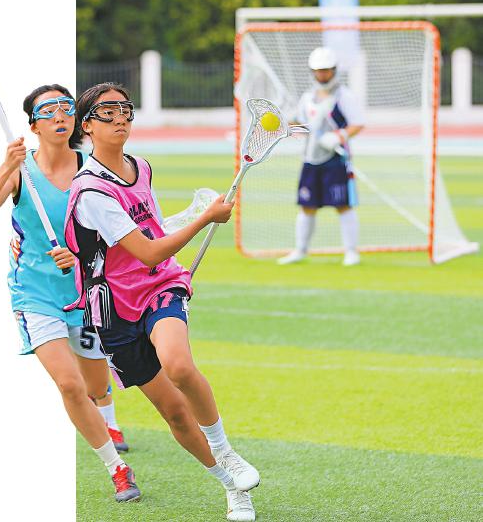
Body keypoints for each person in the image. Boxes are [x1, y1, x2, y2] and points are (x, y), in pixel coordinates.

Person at [63, 82, 257, 521]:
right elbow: (147, 250)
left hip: (158, 286)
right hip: (113, 308)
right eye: (107, 111)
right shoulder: (91, 190)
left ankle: (226, 453)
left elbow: (151, 235)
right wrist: (204, 219)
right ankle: (231, 486)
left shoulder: (141, 167)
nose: (119, 117)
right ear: (86, 125)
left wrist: (186, 222)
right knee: (175, 414)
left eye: (125, 109)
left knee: (179, 365)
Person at [0, 84, 139, 502]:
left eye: (66, 107)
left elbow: (117, 232)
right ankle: (117, 469)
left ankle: (109, 416)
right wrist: (5, 167)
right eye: (48, 110)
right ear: (33, 126)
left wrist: (79, 256)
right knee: (70, 385)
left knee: (96, 385)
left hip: (87, 292)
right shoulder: (20, 171)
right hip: (35, 295)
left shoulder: (92, 170)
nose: (60, 115)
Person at [278, 47, 365, 266]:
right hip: (310, 159)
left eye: (326, 70)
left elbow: (357, 124)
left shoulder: (344, 96)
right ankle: (300, 250)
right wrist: (283, 121)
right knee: (307, 205)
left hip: (335, 159)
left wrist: (339, 136)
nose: (322, 75)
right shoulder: (308, 98)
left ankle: (351, 251)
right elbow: (300, 123)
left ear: (334, 70)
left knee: (342, 204)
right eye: (318, 71)